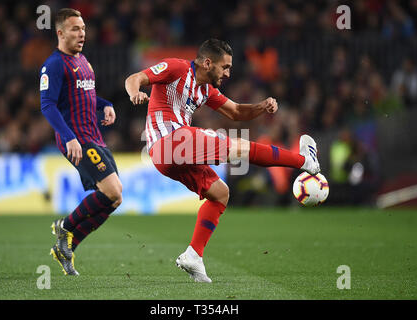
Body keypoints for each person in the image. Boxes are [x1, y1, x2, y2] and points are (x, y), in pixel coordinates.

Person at [125, 39, 320, 282]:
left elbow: (236, 112)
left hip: (167, 157)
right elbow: (134, 78)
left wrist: (261, 106)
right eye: (225, 67)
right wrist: (135, 93)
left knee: (220, 193)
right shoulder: (176, 68)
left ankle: (193, 255)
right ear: (208, 63)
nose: (228, 73)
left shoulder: (205, 89)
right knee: (239, 146)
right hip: (170, 141)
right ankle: (305, 161)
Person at [40, 8, 123, 275]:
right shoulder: (53, 65)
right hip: (77, 138)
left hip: (94, 137)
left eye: (84, 28)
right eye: (75, 29)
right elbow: (48, 105)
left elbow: (84, 97)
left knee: (114, 199)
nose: (82, 33)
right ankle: (64, 225)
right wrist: (69, 137)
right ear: (60, 32)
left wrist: (106, 104)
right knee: (112, 191)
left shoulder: (83, 60)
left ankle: (67, 248)